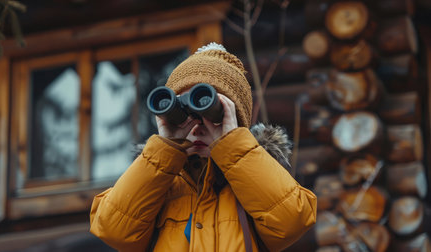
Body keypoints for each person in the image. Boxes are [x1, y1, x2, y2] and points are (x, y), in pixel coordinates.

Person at [90, 42, 317, 252]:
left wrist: (232, 144)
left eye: (211, 115)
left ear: (234, 121)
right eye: (185, 114)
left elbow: (292, 221)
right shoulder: (157, 182)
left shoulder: (254, 181)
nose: (197, 127)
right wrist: (166, 148)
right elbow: (112, 229)